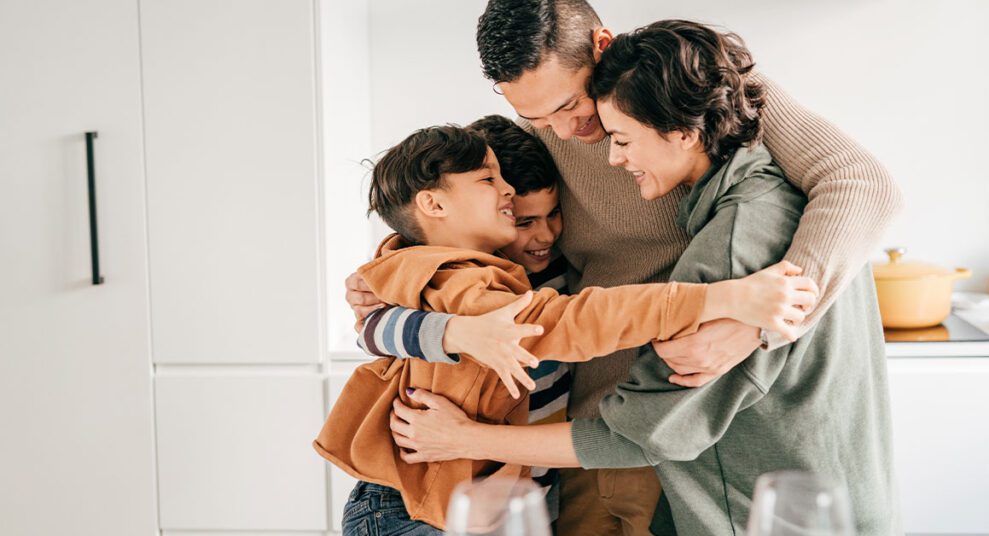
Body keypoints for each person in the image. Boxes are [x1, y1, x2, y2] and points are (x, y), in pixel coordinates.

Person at [345, 1, 903, 532]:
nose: (563, 132)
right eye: (534, 117)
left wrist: (762, 322)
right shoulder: (545, 132)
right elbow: (458, 206)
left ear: (601, 47)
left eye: (569, 107)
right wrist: (400, 272)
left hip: (673, 409)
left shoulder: (692, 91)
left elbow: (859, 182)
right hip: (582, 417)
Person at [315, 124, 818, 534]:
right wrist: (719, 298)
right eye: (489, 182)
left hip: (486, 502)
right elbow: (569, 321)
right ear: (434, 206)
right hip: (417, 512)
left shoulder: (494, 271)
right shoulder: (448, 274)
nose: (507, 193)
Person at [356, 114, 573, 525]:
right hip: (433, 499)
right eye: (522, 220)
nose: (543, 236)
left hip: (524, 489)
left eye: (553, 214)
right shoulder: (448, 274)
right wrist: (458, 333)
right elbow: (372, 328)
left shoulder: (558, 270)